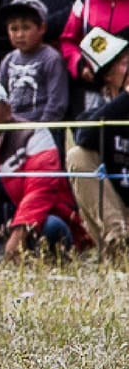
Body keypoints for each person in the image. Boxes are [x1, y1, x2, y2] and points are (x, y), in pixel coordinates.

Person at [0, 77, 85, 260]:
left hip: (36, 228)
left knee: (53, 227)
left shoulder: (35, 135)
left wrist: (19, 236)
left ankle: (14, 261)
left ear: (7, 110)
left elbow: (40, 191)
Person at [67, 27, 129, 254]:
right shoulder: (101, 113)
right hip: (118, 217)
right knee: (77, 155)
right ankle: (120, 243)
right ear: (109, 76)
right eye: (126, 63)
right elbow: (83, 136)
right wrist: (126, 98)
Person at [0, 0, 69, 122]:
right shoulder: (8, 60)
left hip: (40, 129)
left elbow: (57, 102)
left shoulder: (51, 58)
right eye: (14, 29)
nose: (19, 34)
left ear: (42, 28)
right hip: (12, 129)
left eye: (26, 28)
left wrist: (42, 129)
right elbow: (0, 96)